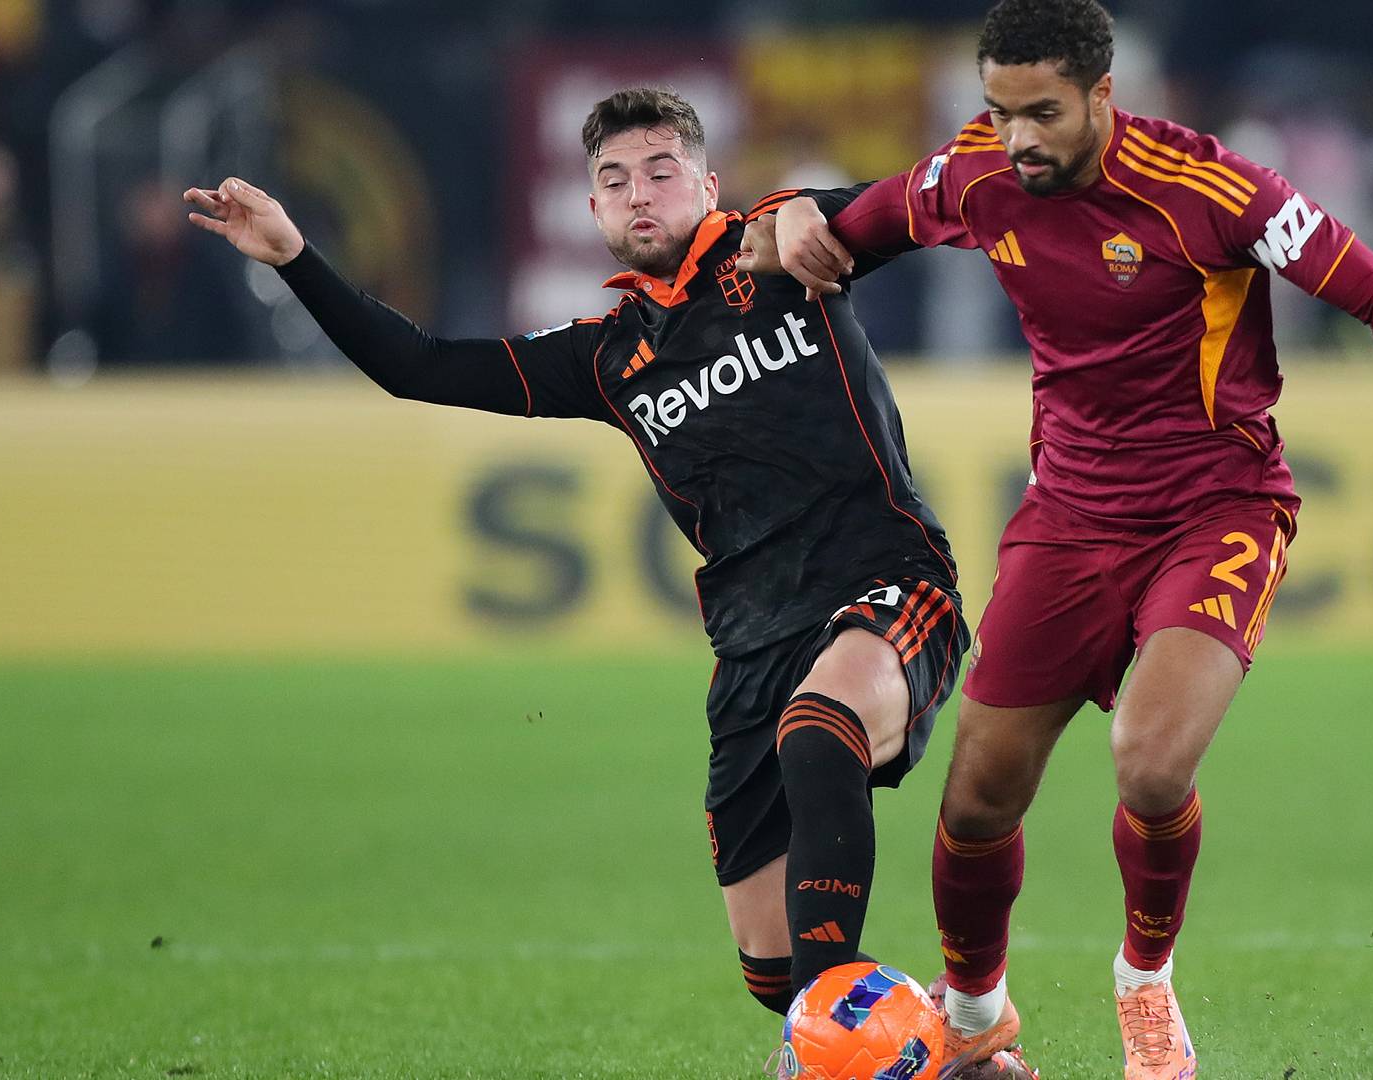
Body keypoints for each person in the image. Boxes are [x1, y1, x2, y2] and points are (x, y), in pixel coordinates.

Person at [742, 1, 1373, 1076]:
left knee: (1147, 759)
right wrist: (784, 223)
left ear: (1102, 95)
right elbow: (842, 229)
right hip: (1068, 519)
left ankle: (1145, 984)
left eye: (1041, 113)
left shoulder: (1210, 190)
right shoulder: (975, 173)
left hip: (1217, 508)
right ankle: (975, 1018)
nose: (1018, 138)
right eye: (999, 111)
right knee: (978, 797)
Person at [184, 87, 972, 1053]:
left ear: (707, 186)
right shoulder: (607, 357)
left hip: (889, 584)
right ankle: (958, 1038)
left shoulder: (779, 253)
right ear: (593, 209)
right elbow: (419, 367)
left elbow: (912, 204)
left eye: (660, 172)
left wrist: (816, 205)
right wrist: (293, 257)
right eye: (614, 179)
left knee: (821, 731)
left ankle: (825, 1057)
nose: (639, 193)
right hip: (752, 641)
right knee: (775, 966)